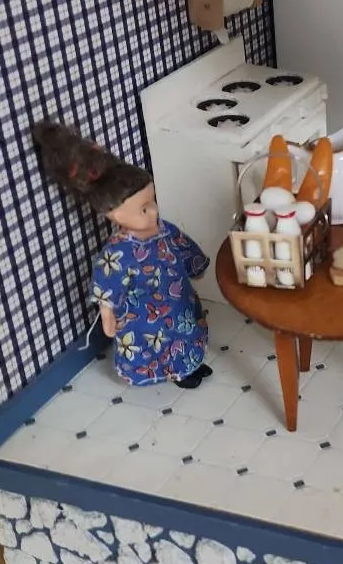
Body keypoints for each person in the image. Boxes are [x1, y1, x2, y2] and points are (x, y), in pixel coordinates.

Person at [31, 119, 212, 389]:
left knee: (187, 330)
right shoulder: (117, 253)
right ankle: (175, 372)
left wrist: (195, 266)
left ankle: (189, 364)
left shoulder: (164, 229)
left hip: (178, 301)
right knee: (156, 344)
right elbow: (108, 285)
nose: (153, 211)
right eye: (143, 209)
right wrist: (107, 316)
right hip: (144, 316)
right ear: (114, 215)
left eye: (152, 202)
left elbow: (182, 245)